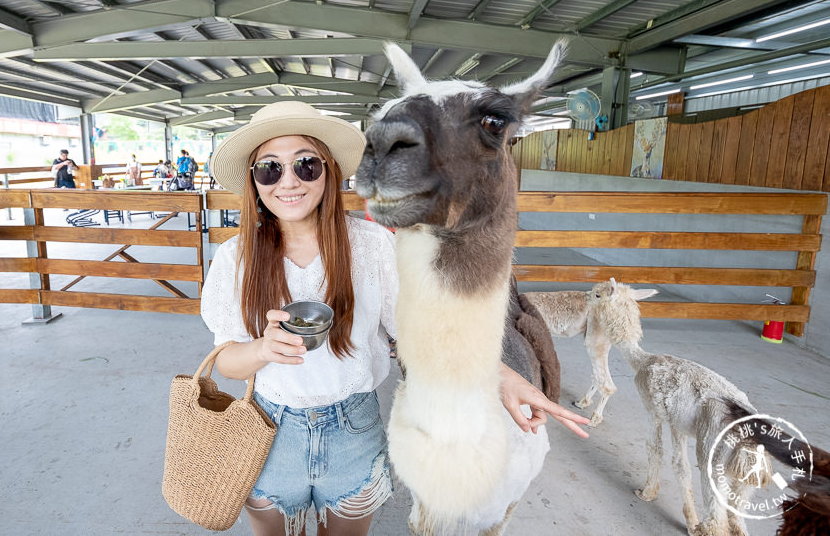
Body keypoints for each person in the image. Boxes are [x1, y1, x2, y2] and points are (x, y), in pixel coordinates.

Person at [200, 101, 587, 536]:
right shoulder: (236, 258)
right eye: (270, 168)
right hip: (268, 430)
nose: (288, 181)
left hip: (352, 429)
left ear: (329, 171)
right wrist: (260, 349)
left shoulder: (371, 247)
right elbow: (226, 362)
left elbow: (419, 337)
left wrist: (500, 376)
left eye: (305, 165)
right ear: (253, 181)